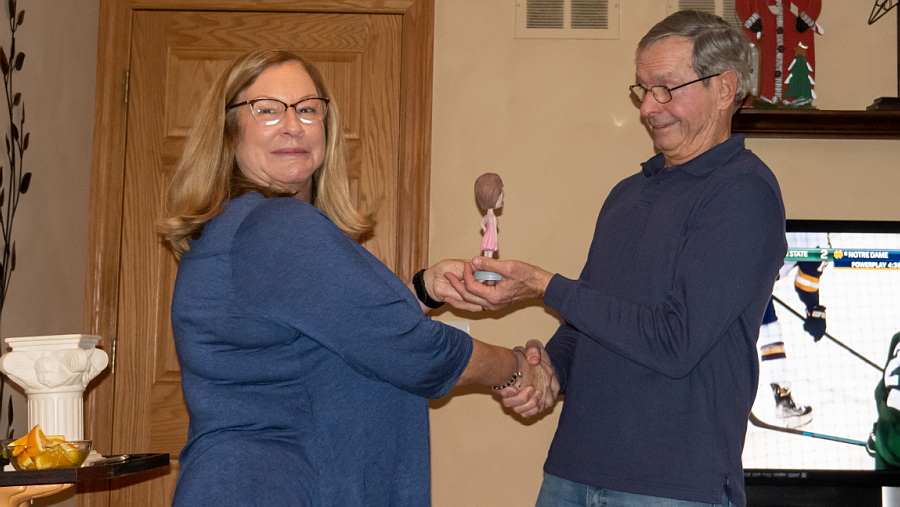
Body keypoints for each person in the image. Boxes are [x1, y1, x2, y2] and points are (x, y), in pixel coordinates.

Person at [158, 49, 557, 506]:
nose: (293, 125)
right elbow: (411, 350)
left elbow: (326, 332)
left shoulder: (243, 226)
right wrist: (513, 368)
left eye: (308, 109)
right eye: (267, 110)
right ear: (229, 132)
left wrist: (422, 291)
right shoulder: (276, 227)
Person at [446, 10, 787, 507]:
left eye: (666, 89)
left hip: (673, 487)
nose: (647, 107)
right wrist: (548, 369)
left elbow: (675, 341)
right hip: (571, 472)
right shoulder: (627, 194)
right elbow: (589, 321)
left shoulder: (743, 193)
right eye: (643, 90)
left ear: (724, 87)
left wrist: (545, 285)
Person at [757, 231, 829, 428]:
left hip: (723, 259)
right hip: (750, 274)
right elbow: (806, 285)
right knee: (769, 328)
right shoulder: (817, 237)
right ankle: (783, 400)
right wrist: (814, 309)